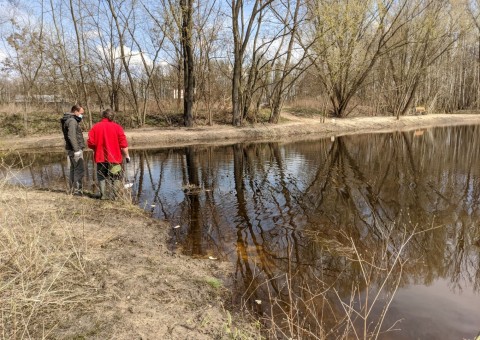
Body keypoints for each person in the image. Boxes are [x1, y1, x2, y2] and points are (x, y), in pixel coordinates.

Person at [87, 108, 130, 200]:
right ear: (113, 117)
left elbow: (90, 143)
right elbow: (123, 144)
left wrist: (97, 148)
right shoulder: (117, 127)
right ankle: (115, 197)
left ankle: (103, 196)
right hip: (115, 158)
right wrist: (127, 156)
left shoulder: (95, 127)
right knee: (115, 177)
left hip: (100, 157)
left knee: (101, 176)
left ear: (103, 116)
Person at [60, 104, 85, 195]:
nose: (82, 115)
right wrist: (77, 150)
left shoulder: (68, 119)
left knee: (73, 169)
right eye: (81, 113)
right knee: (79, 169)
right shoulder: (72, 121)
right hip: (74, 149)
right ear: (75, 112)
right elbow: (71, 136)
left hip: (70, 149)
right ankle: (78, 191)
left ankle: (72, 190)